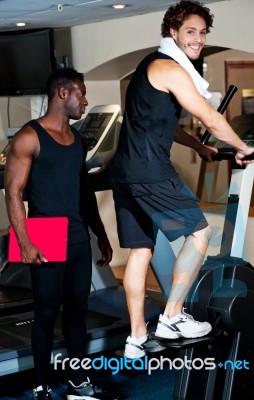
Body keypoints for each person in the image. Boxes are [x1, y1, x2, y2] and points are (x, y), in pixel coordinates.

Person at [108, 0, 254, 360]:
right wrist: (242, 147)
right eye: (190, 31)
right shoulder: (169, 68)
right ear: (172, 32)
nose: (198, 39)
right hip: (151, 174)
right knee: (200, 232)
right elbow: (209, 116)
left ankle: (137, 338)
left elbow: (166, 125)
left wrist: (200, 148)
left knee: (140, 251)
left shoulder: (150, 66)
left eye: (203, 32)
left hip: (126, 176)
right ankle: (172, 316)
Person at [4, 68, 117, 400]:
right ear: (62, 94)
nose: (85, 100)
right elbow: (13, 192)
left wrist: (100, 233)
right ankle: (40, 386)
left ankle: (78, 380)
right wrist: (23, 242)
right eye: (81, 93)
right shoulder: (29, 136)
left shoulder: (78, 140)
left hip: (77, 234)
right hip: (43, 233)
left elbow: (84, 191)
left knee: (77, 312)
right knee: (46, 313)